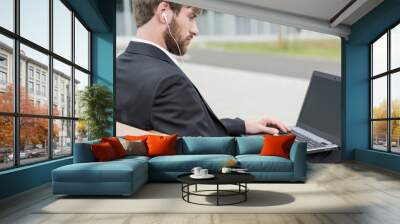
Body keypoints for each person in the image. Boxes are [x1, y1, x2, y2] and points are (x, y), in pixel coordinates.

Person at [116, 0, 289, 137]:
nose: (195, 30)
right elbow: (210, 146)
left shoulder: (117, 68)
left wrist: (242, 125)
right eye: (191, 17)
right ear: (164, 12)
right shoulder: (169, 82)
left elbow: (184, 127)